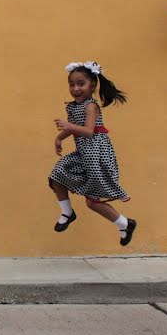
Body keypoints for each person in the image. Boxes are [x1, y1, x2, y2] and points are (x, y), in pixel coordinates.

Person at [48, 61, 137, 246]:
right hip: (83, 155)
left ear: (93, 86)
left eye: (81, 83)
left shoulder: (91, 106)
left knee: (92, 202)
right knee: (56, 175)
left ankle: (124, 224)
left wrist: (68, 126)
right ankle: (68, 212)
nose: (75, 88)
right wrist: (60, 137)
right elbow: (74, 128)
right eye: (72, 84)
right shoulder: (72, 107)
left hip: (97, 157)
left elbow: (88, 130)